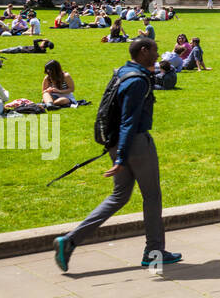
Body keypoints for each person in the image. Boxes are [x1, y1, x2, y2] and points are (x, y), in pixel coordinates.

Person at [54, 37, 181, 272]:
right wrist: (122, 156)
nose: (158, 54)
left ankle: (69, 241)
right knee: (152, 197)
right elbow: (128, 120)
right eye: (154, 50)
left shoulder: (124, 71)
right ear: (144, 51)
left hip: (118, 143)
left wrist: (118, 151)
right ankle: (154, 253)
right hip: (135, 144)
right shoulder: (137, 81)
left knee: (119, 196)